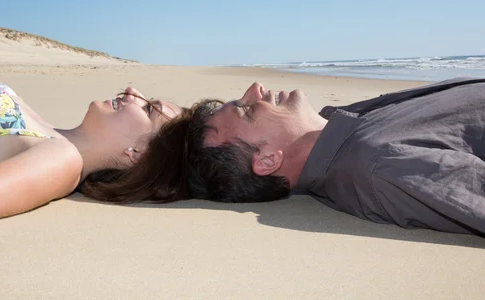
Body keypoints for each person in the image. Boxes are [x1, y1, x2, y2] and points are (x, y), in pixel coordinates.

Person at [184, 78, 485, 235]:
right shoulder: (379, 166)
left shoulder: (348, 127)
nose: (255, 89)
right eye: (247, 109)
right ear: (266, 160)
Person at [0, 77, 186, 231]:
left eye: (149, 108)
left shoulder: (63, 161)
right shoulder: (53, 134)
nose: (133, 90)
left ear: (136, 154)